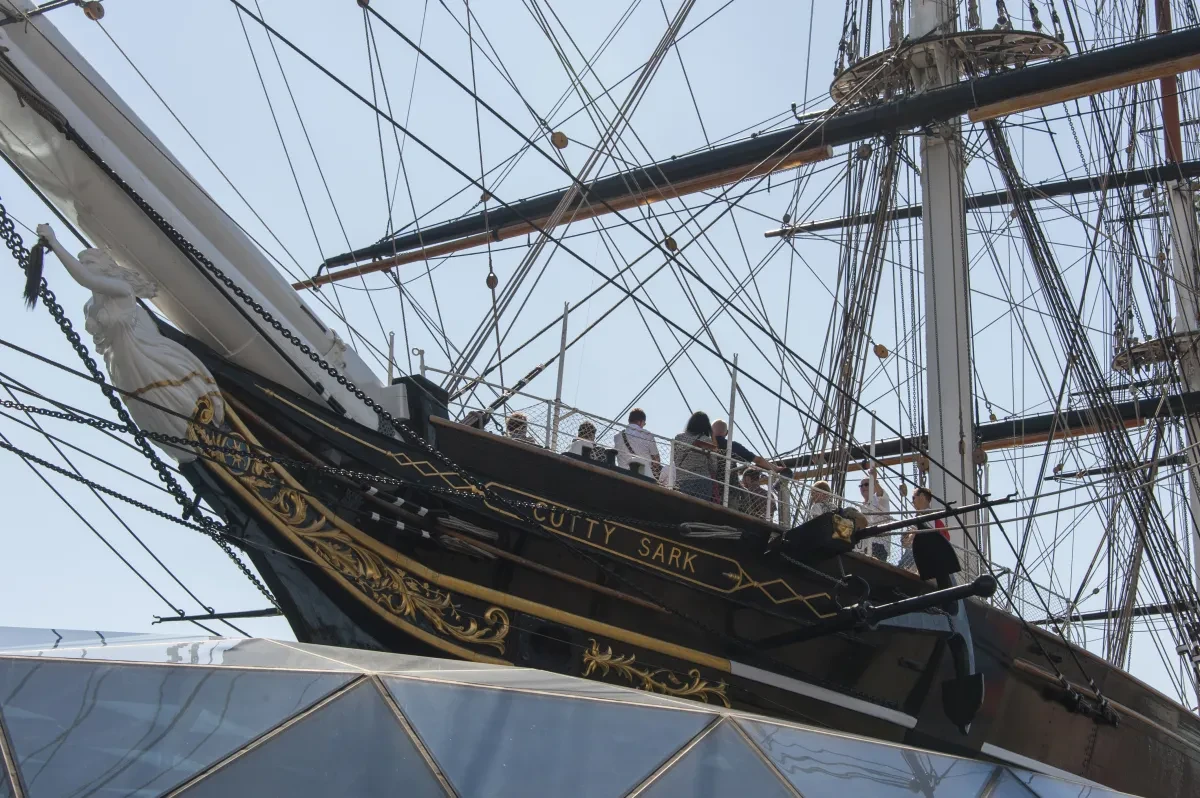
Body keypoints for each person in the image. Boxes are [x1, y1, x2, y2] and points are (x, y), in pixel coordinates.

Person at [34, 223, 222, 462]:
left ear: (105, 268)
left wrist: (54, 243)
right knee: (158, 419)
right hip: (122, 370)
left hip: (145, 358)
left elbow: (83, 279)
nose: (85, 268)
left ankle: (207, 443)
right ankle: (194, 451)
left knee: (177, 406)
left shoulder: (122, 290)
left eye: (90, 264)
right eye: (84, 264)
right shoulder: (89, 307)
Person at [901, 486, 961, 586]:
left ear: (922, 496)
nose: (912, 501)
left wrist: (913, 535)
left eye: (913, 497)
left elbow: (912, 540)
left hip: (930, 562)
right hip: (926, 560)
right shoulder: (922, 518)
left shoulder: (930, 517)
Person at [671, 411, 718, 501]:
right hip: (702, 480)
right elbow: (713, 467)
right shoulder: (706, 440)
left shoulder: (679, 437)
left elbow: (674, 458)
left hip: (682, 479)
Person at [711, 419, 781, 475]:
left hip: (709, 478)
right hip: (729, 481)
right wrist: (777, 468)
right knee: (744, 491)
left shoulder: (705, 442)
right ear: (727, 433)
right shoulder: (733, 446)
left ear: (710, 431)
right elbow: (758, 460)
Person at [855, 468, 893, 563]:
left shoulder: (879, 500)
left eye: (866, 484)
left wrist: (874, 480)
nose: (863, 487)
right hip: (862, 546)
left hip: (878, 544)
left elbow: (881, 494)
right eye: (861, 486)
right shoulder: (859, 507)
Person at [614, 408, 661, 478]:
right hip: (643, 475)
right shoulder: (647, 435)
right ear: (640, 422)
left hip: (622, 474)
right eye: (644, 423)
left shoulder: (617, 436)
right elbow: (657, 461)